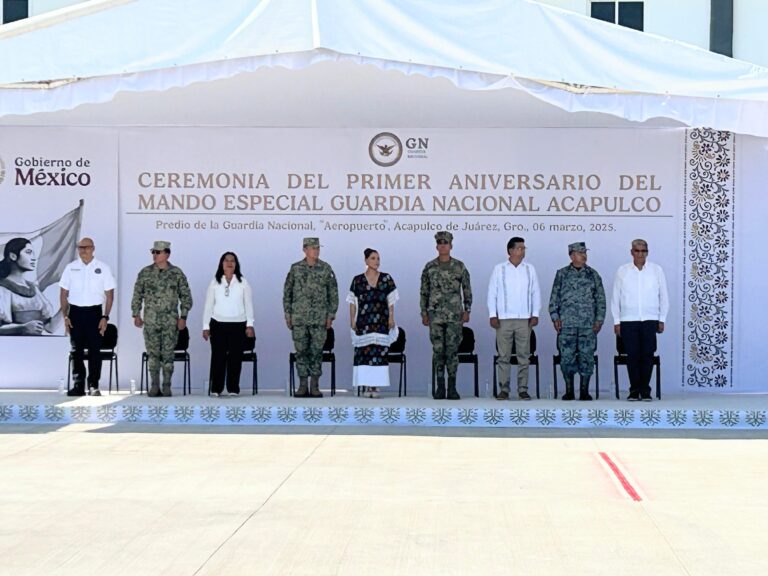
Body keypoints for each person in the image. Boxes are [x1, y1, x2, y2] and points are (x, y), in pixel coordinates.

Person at [131, 240, 193, 398]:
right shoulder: (145, 273)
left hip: (170, 321)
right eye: (153, 252)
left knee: (168, 355)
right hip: (151, 320)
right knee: (153, 354)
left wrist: (183, 316)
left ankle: (166, 385)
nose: (154, 255)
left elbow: (186, 297)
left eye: (157, 252)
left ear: (167, 254)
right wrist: (136, 314)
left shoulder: (176, 273)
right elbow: (137, 294)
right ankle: (154, 385)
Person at [611, 238, 669, 402]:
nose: (640, 254)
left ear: (647, 252)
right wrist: (617, 320)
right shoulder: (622, 271)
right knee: (632, 356)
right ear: (631, 252)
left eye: (643, 251)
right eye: (637, 251)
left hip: (650, 319)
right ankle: (634, 390)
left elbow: (663, 296)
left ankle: (645, 390)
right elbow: (616, 297)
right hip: (628, 320)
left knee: (647, 355)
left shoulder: (656, 270)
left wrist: (661, 318)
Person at [59, 237, 116, 397]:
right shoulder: (71, 268)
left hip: (94, 314)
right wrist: (65, 316)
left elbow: (110, 294)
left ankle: (93, 385)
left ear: (93, 248)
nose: (83, 250)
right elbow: (63, 293)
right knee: (76, 351)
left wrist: (105, 316)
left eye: (87, 247)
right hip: (75, 313)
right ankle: (78, 385)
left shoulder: (103, 268)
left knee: (94, 351)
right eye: (80, 247)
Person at [549, 242, 606, 401]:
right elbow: (554, 298)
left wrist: (599, 320)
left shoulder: (593, 275)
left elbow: (600, 300)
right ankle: (569, 390)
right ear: (572, 255)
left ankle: (584, 391)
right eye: (581, 252)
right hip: (567, 324)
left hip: (588, 325)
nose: (584, 255)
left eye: (584, 252)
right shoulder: (562, 274)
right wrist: (555, 317)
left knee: (587, 357)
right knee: (566, 357)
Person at [283, 237, 338, 398]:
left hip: (319, 319)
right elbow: (287, 293)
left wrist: (331, 315)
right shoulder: (295, 269)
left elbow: (333, 294)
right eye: (313, 248)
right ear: (305, 249)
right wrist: (288, 314)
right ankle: (302, 385)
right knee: (301, 352)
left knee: (316, 352)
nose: (316, 251)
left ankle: (314, 385)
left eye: (318, 248)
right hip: (299, 318)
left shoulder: (326, 269)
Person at [420, 230, 472, 400]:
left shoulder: (460, 266)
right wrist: (424, 313)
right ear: (437, 246)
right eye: (440, 243)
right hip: (435, 315)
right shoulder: (429, 267)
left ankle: (452, 387)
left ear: (451, 246)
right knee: (438, 351)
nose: (443, 246)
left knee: (452, 351)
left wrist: (467, 309)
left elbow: (466, 289)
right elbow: (424, 292)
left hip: (454, 316)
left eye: (446, 243)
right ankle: (440, 386)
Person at [487, 237, 540, 401]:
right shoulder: (499, 269)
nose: (523, 251)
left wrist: (535, 313)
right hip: (504, 319)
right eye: (520, 248)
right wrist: (493, 314)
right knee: (504, 356)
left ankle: (523, 389)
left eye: (524, 248)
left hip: (524, 318)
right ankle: (504, 389)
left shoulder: (529, 269)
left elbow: (535, 292)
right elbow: (492, 292)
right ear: (510, 250)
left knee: (524, 356)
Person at [347, 248, 399, 398]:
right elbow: (352, 302)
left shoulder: (386, 278)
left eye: (378, 258)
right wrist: (352, 319)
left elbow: (391, 300)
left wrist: (391, 317)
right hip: (364, 322)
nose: (376, 261)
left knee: (379, 353)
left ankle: (375, 387)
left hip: (381, 322)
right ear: (366, 261)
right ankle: (366, 386)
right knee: (365, 354)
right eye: (373, 258)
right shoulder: (358, 280)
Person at [202, 252, 255, 397]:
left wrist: (250, 324)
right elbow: (208, 305)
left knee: (235, 358)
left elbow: (248, 304)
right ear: (222, 264)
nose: (229, 263)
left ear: (236, 264)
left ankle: (233, 388)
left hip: (238, 325)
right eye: (226, 260)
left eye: (232, 261)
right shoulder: (215, 282)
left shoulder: (243, 282)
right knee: (218, 357)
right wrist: (206, 326)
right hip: (218, 324)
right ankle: (216, 388)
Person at [0, 238, 55, 336]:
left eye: (33, 253)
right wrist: (23, 328)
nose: (33, 258)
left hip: (36, 345)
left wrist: (66, 305)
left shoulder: (33, 288)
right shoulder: (3, 289)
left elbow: (50, 328)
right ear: (13, 256)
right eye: (28, 252)